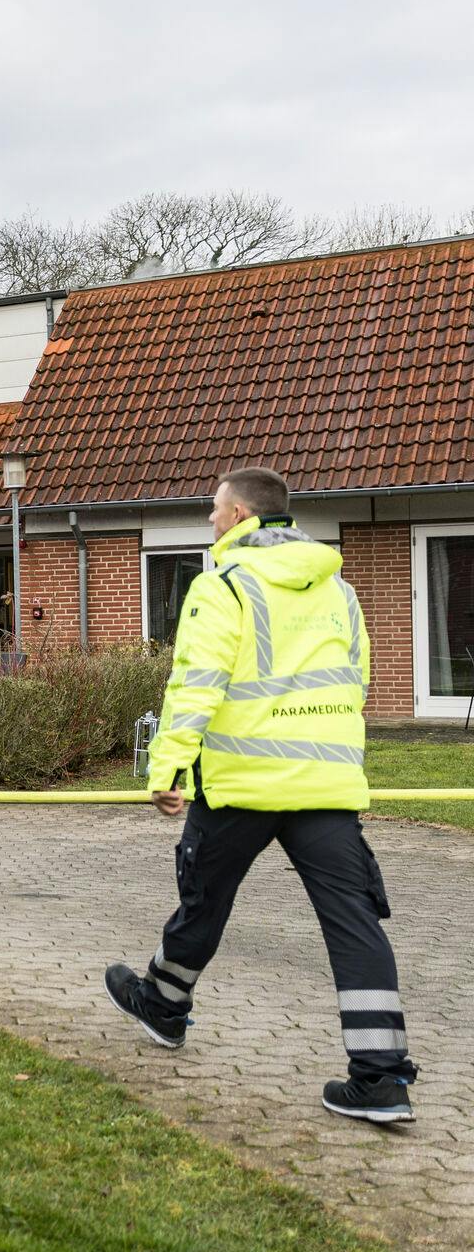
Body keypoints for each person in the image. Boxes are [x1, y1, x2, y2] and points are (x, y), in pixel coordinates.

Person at [105, 467, 417, 1124]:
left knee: (205, 897)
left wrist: (168, 766)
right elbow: (356, 677)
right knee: (353, 921)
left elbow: (196, 683)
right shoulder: (339, 588)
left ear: (241, 513)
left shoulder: (222, 586)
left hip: (244, 780)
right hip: (325, 782)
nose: (211, 522)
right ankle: (382, 1078)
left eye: (215, 511)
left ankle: (163, 1004)